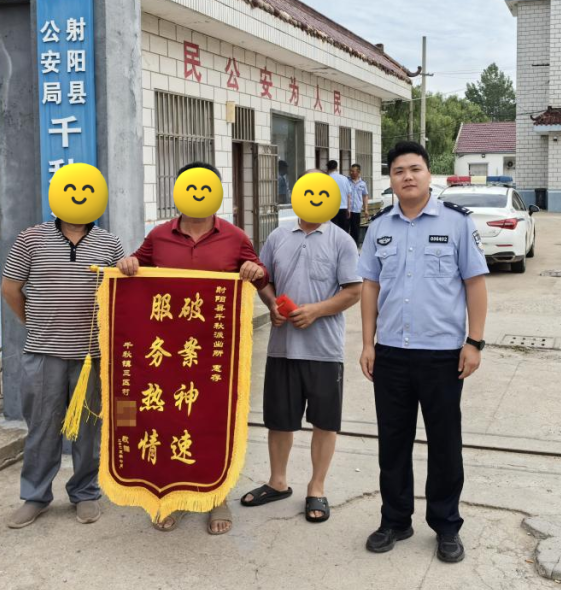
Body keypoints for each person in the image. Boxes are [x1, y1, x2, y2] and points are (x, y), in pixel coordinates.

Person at [116, 160, 269, 536]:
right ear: (178, 192)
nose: (198, 194)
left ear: (216, 193)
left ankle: (217, 495)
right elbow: (136, 265)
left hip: (216, 352)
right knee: (170, 421)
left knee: (213, 422)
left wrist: (255, 272)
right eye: (191, 187)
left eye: (205, 188)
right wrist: (129, 263)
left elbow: (259, 272)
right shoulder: (158, 236)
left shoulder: (235, 237)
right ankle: (174, 497)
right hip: (168, 352)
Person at [357, 140, 489, 564]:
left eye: (415, 169)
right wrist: (367, 343)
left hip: (442, 355)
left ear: (429, 174)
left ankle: (446, 525)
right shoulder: (379, 227)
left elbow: (475, 284)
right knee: (392, 442)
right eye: (399, 171)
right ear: (391, 179)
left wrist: (474, 342)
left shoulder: (457, 223)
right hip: (391, 353)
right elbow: (370, 287)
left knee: (445, 444)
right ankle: (395, 520)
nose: (407, 177)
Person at [241, 170, 362, 523]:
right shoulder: (277, 237)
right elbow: (264, 280)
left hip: (324, 350)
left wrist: (316, 311)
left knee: (325, 422)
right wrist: (271, 304)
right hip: (282, 348)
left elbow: (353, 291)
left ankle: (316, 487)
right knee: (279, 421)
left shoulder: (342, 241)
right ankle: (277, 482)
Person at [0, 211, 126, 530]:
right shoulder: (31, 238)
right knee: (42, 427)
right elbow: (10, 288)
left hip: (92, 356)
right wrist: (33, 323)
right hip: (44, 354)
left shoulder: (109, 243)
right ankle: (36, 496)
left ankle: (85, 493)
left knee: (88, 429)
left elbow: (123, 292)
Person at [347, 163, 369, 245]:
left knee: (355, 230)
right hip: (347, 210)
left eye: (353, 171)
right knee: (345, 229)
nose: (351, 173)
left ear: (358, 172)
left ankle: (354, 246)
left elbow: (365, 196)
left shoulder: (363, 184)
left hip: (356, 210)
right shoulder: (346, 181)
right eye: (350, 171)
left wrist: (366, 210)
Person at [327, 160, 351, 231]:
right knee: (343, 229)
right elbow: (348, 195)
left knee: (331, 230)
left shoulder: (326, 179)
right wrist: (349, 209)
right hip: (343, 207)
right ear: (337, 167)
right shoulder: (344, 178)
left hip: (330, 208)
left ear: (327, 168)